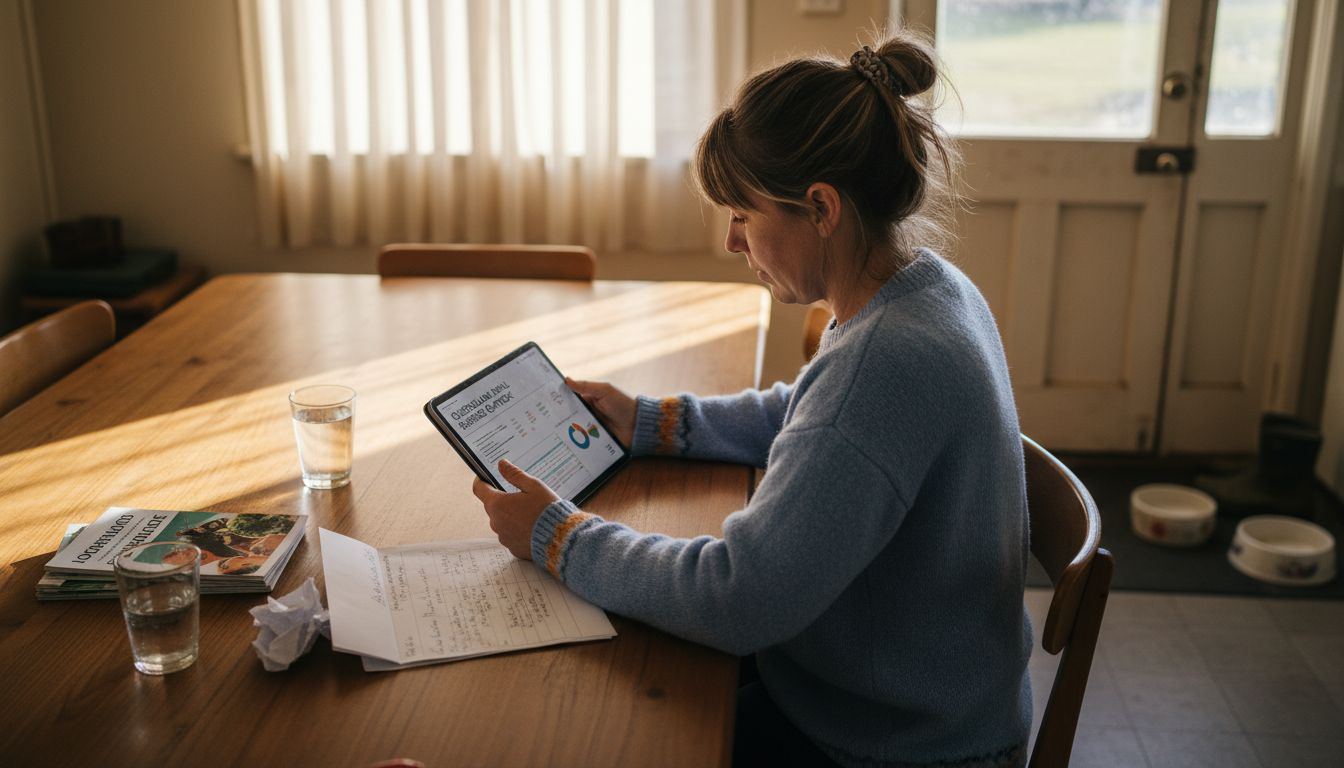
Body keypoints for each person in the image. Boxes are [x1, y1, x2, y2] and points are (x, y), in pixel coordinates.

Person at [471, 29, 1032, 768]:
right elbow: (807, 411)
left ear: (822, 207)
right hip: (907, 699)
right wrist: (653, 421)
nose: (734, 244)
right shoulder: (924, 291)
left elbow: (736, 600)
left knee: (588, 731)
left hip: (893, 744)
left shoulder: (887, 363)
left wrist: (557, 537)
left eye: (743, 215)